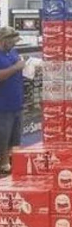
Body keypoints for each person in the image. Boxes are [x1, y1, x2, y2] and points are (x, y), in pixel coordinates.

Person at [0, 27, 24, 174]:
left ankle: (10, 160)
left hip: (16, 102)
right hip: (3, 105)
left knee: (15, 136)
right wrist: (16, 67)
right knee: (3, 136)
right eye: (12, 42)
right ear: (4, 41)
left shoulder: (13, 53)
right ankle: (3, 164)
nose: (14, 44)